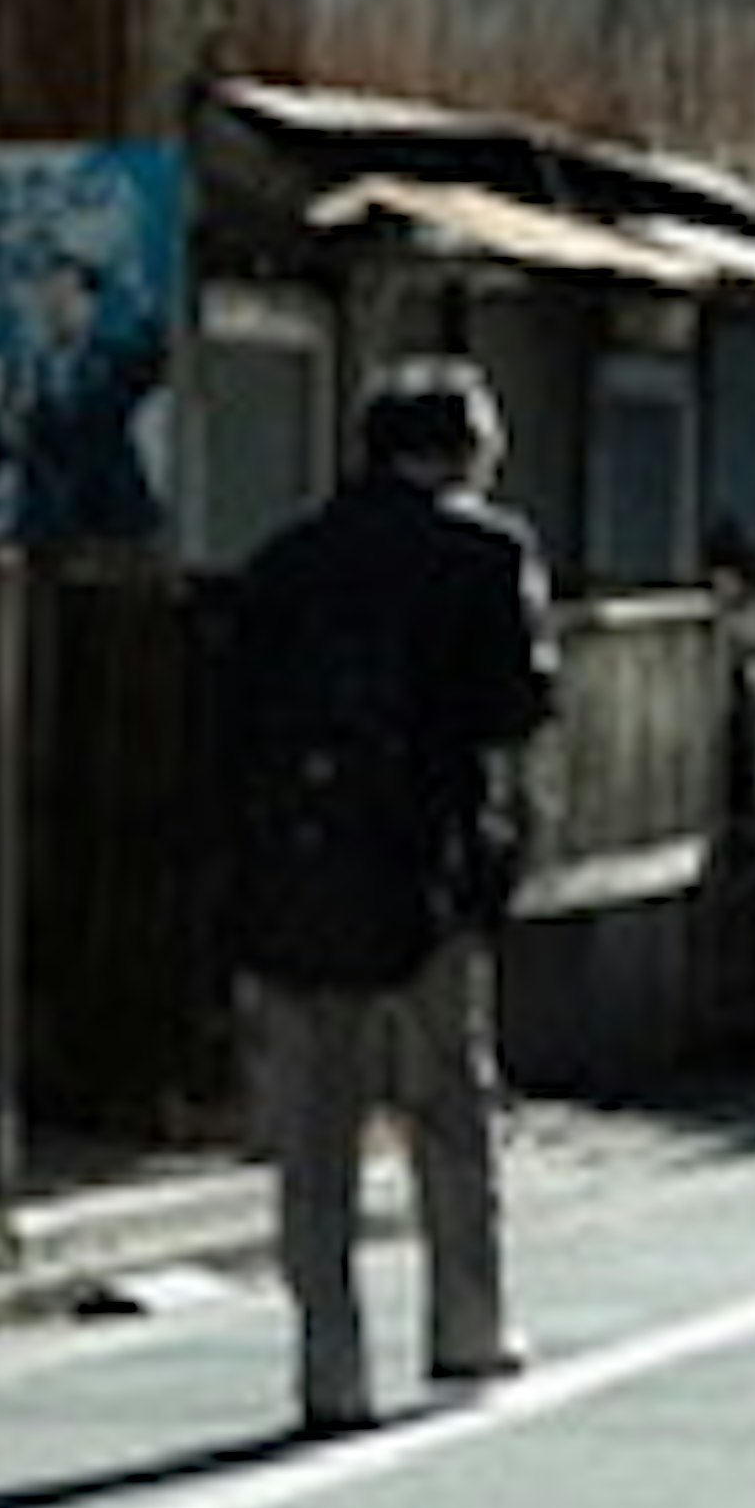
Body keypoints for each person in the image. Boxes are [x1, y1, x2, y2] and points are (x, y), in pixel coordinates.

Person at [222, 362, 559, 1437]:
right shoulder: (488, 553)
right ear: (464, 451)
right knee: (448, 1106)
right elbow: (522, 706)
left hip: (297, 879)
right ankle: (468, 1324)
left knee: (314, 1132)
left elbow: (228, 720)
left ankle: (331, 1373)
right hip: (426, 876)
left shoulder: (286, 562)